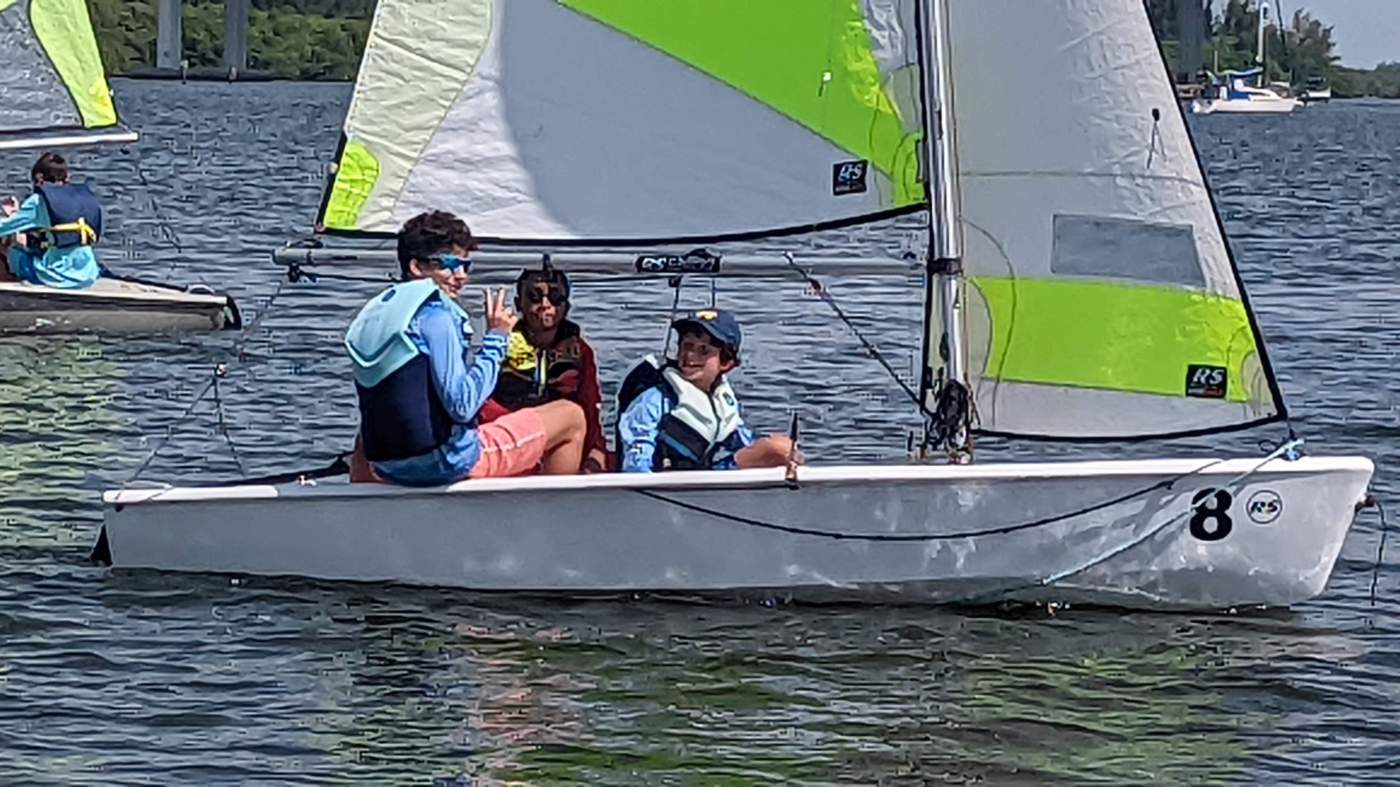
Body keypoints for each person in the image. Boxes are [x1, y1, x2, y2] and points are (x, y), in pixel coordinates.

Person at [344, 210, 587, 486]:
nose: (461, 277)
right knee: (571, 416)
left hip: (386, 465)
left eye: (465, 267)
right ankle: (552, 522)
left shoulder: (379, 312)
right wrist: (497, 338)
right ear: (416, 267)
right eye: (450, 265)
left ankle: (365, 510)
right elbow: (462, 406)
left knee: (367, 433)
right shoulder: (437, 317)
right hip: (447, 463)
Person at [617, 309, 802, 473]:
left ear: (726, 362)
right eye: (687, 346)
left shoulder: (723, 400)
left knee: (783, 449)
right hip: (665, 486)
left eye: (703, 350)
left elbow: (743, 442)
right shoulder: (653, 400)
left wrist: (783, 456)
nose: (690, 356)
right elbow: (635, 462)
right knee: (775, 449)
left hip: (703, 480)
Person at [478, 263, 609, 472]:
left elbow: (590, 407)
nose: (545, 305)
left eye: (556, 298)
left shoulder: (580, 351)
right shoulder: (499, 346)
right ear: (518, 303)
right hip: (512, 439)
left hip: (562, 445)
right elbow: (481, 402)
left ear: (567, 306)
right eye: (534, 297)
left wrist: (596, 453)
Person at [0, 152, 105, 289]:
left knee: (9, 248)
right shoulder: (83, 198)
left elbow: (3, 228)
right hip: (88, 274)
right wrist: (17, 214)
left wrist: (13, 217)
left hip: (57, 276)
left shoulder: (38, 201)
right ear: (67, 177)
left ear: (39, 179)